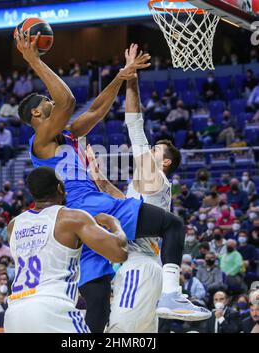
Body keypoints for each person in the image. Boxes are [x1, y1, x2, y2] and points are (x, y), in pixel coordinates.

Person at [16, 35, 203, 331]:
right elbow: (68, 101)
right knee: (172, 225)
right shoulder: (40, 140)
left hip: (78, 219)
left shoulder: (67, 134)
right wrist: (34, 61)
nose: (53, 102)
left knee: (99, 297)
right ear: (37, 113)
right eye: (46, 102)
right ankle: (171, 295)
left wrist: (120, 76)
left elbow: (95, 111)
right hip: (88, 205)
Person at [88, 44, 210, 333]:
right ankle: (171, 293)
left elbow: (135, 125)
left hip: (139, 267)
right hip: (148, 268)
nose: (149, 149)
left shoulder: (156, 178)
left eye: (156, 149)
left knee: (117, 334)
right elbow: (125, 203)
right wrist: (101, 181)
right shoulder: (147, 188)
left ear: (165, 162)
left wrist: (131, 78)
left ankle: (173, 294)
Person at [4, 166, 128, 333]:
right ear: (60, 188)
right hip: (52, 308)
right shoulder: (72, 217)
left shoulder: (13, 225)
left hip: (14, 314)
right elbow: (119, 253)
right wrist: (114, 223)